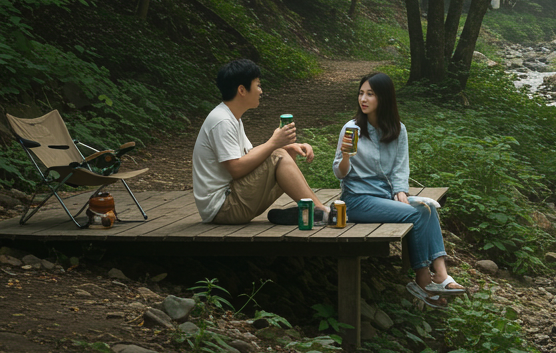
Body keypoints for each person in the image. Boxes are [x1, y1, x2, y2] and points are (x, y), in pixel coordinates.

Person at [335, 72, 467, 308]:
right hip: (357, 200)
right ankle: (424, 279)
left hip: (385, 198)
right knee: (416, 213)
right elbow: (339, 173)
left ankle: (440, 274)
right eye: (361, 93)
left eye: (370, 94)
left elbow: (400, 168)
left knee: (426, 207)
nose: (363, 99)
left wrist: (401, 191)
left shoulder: (397, 129)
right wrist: (346, 155)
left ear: (383, 98)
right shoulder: (352, 128)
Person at [192, 58, 328, 224]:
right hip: (223, 208)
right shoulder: (222, 121)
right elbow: (236, 168)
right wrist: (273, 144)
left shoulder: (231, 117)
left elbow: (249, 156)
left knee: (283, 153)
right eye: (257, 85)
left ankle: (312, 211)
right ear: (242, 90)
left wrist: (284, 146)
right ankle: (321, 212)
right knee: (278, 155)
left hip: (231, 201)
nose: (261, 91)